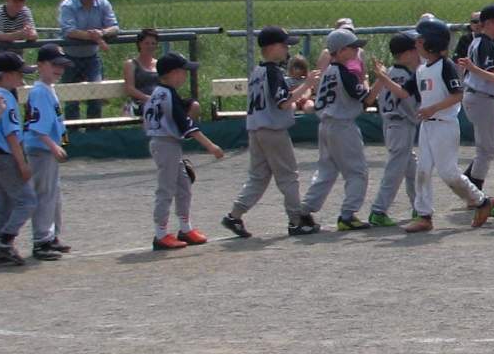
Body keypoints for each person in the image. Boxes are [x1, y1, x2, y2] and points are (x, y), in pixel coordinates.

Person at [405, 17, 494, 233]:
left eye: (420, 39)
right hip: (428, 126)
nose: (416, 43)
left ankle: (482, 201)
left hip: (444, 125)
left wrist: (433, 108)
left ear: (432, 43)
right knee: (423, 170)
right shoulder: (421, 69)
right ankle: (424, 215)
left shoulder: (445, 66)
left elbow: (458, 95)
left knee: (448, 173)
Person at [222, 27, 311, 239]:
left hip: (256, 129)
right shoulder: (272, 72)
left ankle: (235, 215)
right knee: (288, 176)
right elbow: (283, 103)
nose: (287, 49)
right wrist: (307, 85)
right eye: (284, 45)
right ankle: (296, 220)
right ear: (272, 47)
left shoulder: (256, 71)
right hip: (273, 130)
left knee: (258, 176)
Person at [144, 51, 222, 250]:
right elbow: (186, 125)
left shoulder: (160, 92)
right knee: (166, 189)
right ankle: (161, 234)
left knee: (184, 184)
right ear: (170, 73)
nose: (185, 75)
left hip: (167, 143)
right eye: (181, 71)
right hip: (164, 144)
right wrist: (211, 146)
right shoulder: (167, 94)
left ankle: (185, 229)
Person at [300, 27, 371, 233]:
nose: (357, 51)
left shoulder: (328, 72)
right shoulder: (345, 72)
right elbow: (364, 98)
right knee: (357, 171)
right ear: (339, 51)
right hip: (342, 126)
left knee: (326, 171)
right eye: (352, 48)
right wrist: (382, 82)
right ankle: (348, 215)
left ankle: (305, 211)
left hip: (325, 125)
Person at [0, 51, 37, 267]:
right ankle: (5, 241)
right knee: (27, 200)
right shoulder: (6, 97)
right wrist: (22, 162)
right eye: (18, 73)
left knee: (2, 203)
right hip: (5, 156)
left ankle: (0, 244)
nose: (22, 78)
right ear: (6, 75)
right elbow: (11, 134)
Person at [366, 32, 422, 228]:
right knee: (394, 171)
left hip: (391, 124)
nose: (417, 53)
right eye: (414, 50)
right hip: (400, 124)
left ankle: (419, 206)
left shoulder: (387, 72)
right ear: (406, 53)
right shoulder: (406, 75)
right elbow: (410, 101)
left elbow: (371, 98)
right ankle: (378, 210)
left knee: (412, 167)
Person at [457, 3, 494, 190]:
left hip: (486, 98)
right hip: (480, 98)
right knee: (486, 149)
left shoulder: (491, 43)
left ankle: (467, 181)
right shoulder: (483, 43)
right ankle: (474, 193)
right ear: (489, 23)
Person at [25, 45, 71, 260]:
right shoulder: (40, 91)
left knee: (54, 195)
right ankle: (41, 241)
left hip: (47, 150)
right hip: (41, 150)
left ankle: (51, 236)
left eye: (62, 66)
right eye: (54, 65)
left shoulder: (47, 89)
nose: (59, 69)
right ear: (40, 65)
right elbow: (37, 126)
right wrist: (53, 145)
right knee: (44, 195)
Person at [56, 0, 119, 118]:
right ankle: (73, 135)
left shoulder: (103, 3)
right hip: (69, 57)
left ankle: (94, 132)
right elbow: (69, 31)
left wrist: (101, 33)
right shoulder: (68, 5)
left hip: (92, 57)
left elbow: (115, 28)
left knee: (96, 95)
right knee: (71, 100)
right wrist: (93, 36)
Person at [122, 27, 163, 116]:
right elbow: (130, 89)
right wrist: (148, 98)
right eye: (147, 43)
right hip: (139, 103)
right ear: (140, 44)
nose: (150, 46)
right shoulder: (131, 64)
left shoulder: (159, 64)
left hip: (158, 101)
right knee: (152, 108)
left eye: (153, 43)